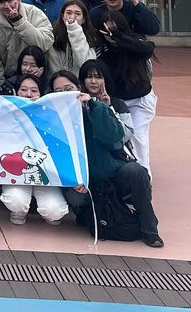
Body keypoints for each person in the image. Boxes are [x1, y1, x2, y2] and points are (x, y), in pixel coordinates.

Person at [51, 70, 163, 248]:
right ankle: (91, 217)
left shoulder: (97, 107)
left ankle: (150, 230)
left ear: (78, 88)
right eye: (58, 92)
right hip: (82, 180)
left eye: (68, 89)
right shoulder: (52, 120)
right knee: (76, 198)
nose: (64, 94)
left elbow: (113, 137)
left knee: (136, 172)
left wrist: (94, 107)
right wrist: (73, 179)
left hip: (112, 171)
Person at [0, 74, 70, 226]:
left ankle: (47, 213)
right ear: (16, 92)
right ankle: (18, 211)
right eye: (23, 90)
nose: (29, 94)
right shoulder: (5, 114)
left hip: (46, 174)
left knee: (54, 212)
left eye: (34, 90)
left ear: (41, 94)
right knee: (16, 200)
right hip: (17, 172)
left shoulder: (53, 115)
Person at [95, 9, 157, 174]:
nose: (110, 33)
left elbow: (148, 49)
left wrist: (119, 37)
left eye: (114, 28)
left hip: (140, 100)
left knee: (137, 137)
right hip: (117, 101)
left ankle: (144, 175)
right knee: (119, 138)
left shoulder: (135, 42)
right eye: (106, 29)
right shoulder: (101, 51)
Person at [77, 60, 135, 145]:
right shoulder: (78, 103)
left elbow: (126, 134)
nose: (93, 81)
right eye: (89, 77)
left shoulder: (118, 104)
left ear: (105, 79)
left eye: (98, 77)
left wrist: (108, 109)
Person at [47, 0, 99, 84]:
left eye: (77, 14)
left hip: (83, 85)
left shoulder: (91, 38)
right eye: (68, 13)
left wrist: (74, 30)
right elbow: (53, 68)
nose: (72, 17)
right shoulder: (53, 37)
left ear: (84, 19)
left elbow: (86, 65)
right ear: (62, 16)